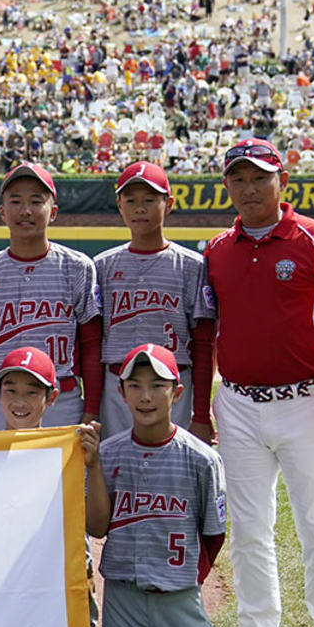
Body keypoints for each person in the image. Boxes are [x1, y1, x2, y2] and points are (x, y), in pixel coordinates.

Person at [204, 138, 314, 627]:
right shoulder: (218, 248)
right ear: (228, 187)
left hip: (308, 398)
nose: (249, 188)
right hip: (239, 401)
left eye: (259, 178)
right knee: (249, 527)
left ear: (281, 180)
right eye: (238, 179)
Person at [96, 344, 234, 627]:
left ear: (177, 391)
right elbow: (97, 525)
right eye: (135, 385)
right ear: (121, 393)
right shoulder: (108, 455)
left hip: (177, 596)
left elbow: (213, 533)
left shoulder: (202, 458)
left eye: (157, 385)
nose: (145, 396)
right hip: (123, 596)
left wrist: (186, 580)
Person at [0, 344, 110, 627]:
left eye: (32, 392)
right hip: (3, 593)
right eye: (11, 390)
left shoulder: (71, 448)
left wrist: (92, 467)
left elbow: (98, 525)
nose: (20, 401)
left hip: (62, 591)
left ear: (52, 397)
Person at [0, 162, 103, 431]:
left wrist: (91, 410)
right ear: (3, 212)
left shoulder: (77, 267)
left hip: (62, 396)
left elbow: (92, 343)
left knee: (65, 474)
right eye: (16, 201)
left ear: (53, 212)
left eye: (36, 201)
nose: (25, 211)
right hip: (4, 398)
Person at [94, 162, 216, 440]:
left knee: (173, 471)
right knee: (115, 471)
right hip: (117, 385)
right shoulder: (102, 265)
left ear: (168, 204)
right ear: (119, 205)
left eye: (149, 200)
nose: (140, 208)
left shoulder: (192, 266)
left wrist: (200, 413)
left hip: (173, 385)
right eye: (131, 200)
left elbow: (204, 342)